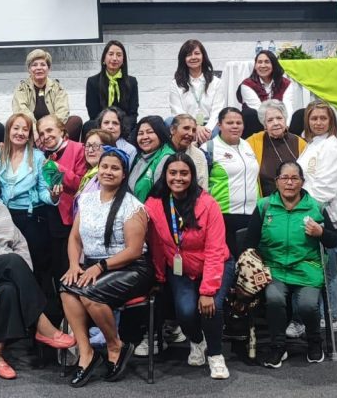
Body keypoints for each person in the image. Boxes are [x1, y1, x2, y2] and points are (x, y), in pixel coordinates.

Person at [0, 163, 75, 380]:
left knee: (8, 289)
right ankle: (42, 324)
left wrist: (21, 268)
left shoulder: (1, 208)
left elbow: (19, 242)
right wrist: (10, 260)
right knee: (12, 261)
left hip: (5, 269)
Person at [60, 149, 152, 387]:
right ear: (97, 170)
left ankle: (115, 346)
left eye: (115, 168)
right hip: (94, 265)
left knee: (91, 293)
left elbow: (134, 250)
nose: (108, 172)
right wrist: (74, 265)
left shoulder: (133, 206)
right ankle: (86, 352)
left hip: (132, 268)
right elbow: (75, 238)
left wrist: (100, 267)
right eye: (105, 167)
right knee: (67, 287)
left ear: (124, 174)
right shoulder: (87, 200)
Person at [145, 153, 231, 379]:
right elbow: (156, 244)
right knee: (185, 312)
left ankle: (216, 355)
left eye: (184, 173)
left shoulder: (208, 204)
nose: (178, 178)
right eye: (173, 173)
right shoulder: (154, 205)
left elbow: (215, 249)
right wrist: (159, 277)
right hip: (180, 268)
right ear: (165, 175)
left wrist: (208, 291)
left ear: (192, 176)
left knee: (211, 308)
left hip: (215, 264)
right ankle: (197, 341)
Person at [247, 161, 337, 368]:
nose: (289, 183)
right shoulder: (264, 206)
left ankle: (314, 341)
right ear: (276, 182)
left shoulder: (316, 207)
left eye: (294, 178)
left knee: (307, 305)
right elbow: (249, 243)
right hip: (275, 269)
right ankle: (278, 346)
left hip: (307, 267)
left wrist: (321, 232)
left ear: (302, 182)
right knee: (274, 299)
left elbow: (334, 240)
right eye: (284, 178)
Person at [289, 101, 337, 338]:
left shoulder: (333, 147)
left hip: (323, 213)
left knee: (327, 269)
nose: (319, 122)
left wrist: (303, 209)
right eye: (314, 118)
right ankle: (315, 316)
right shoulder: (312, 144)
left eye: (323, 118)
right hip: (309, 209)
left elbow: (325, 187)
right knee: (314, 267)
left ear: (331, 121)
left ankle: (330, 317)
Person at [0, 113, 58, 287]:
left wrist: (54, 196)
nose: (20, 133)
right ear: (8, 131)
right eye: (16, 128)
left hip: (33, 219)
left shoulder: (38, 157)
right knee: (12, 268)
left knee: (36, 268)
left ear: (30, 135)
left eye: (25, 129)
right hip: (6, 218)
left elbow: (43, 191)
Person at [37, 115, 87, 288]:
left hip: (70, 218)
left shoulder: (78, 148)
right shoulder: (42, 155)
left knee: (67, 268)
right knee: (53, 268)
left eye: (49, 130)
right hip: (47, 216)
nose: (46, 136)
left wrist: (59, 169)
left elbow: (82, 184)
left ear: (62, 130)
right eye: (41, 133)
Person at [208, 107, 260, 256]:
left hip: (252, 214)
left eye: (239, 123)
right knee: (227, 261)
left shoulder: (248, 145)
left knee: (248, 262)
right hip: (223, 215)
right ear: (219, 125)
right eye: (229, 123)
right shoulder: (209, 148)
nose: (235, 126)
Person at [11, 49, 83, 142]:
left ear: (49, 69)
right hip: (32, 131)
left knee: (75, 121)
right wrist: (35, 131)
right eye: (34, 65)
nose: (39, 68)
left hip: (53, 130)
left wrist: (49, 130)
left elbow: (62, 111)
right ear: (29, 69)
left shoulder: (57, 87)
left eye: (43, 64)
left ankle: (54, 145)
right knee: (12, 125)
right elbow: (21, 111)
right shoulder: (22, 88)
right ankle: (51, 145)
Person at [246, 100, 307, 197]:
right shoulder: (252, 142)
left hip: (297, 201)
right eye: (270, 120)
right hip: (266, 202)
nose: (276, 123)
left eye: (279, 118)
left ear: (285, 119)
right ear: (264, 124)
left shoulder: (300, 143)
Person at [168, 40, 224, 144]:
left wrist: (206, 129)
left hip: (210, 125)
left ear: (203, 56)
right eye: (189, 55)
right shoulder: (176, 84)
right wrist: (195, 127)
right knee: (168, 121)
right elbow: (177, 111)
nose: (193, 57)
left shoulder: (215, 82)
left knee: (218, 130)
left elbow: (217, 110)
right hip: (186, 125)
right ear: (183, 59)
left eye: (197, 53)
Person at [85, 40, 139, 133]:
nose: (114, 58)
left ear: (123, 60)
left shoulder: (132, 82)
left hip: (124, 126)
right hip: (101, 126)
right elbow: (93, 114)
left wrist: (118, 127)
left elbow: (133, 114)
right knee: (88, 125)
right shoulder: (92, 82)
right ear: (104, 58)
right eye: (111, 54)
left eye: (119, 55)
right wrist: (107, 126)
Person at [237, 50, 296, 130]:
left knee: (300, 114)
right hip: (258, 124)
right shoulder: (247, 84)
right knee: (249, 113)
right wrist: (271, 127)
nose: (263, 65)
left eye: (267, 62)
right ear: (255, 66)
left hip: (280, 124)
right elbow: (258, 109)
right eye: (259, 62)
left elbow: (287, 106)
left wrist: (286, 126)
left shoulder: (286, 83)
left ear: (274, 65)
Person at [127, 116, 175, 202]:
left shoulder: (167, 158)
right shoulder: (138, 156)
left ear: (160, 133)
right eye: (140, 133)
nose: (145, 137)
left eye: (150, 132)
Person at [74, 129, 115, 213]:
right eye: (87, 146)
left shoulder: (107, 176)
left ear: (108, 149)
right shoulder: (89, 174)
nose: (90, 150)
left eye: (95, 146)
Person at [168, 114, 209, 191]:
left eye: (194, 130)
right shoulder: (161, 151)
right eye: (186, 128)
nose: (190, 133)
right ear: (172, 130)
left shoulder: (199, 155)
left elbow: (203, 187)